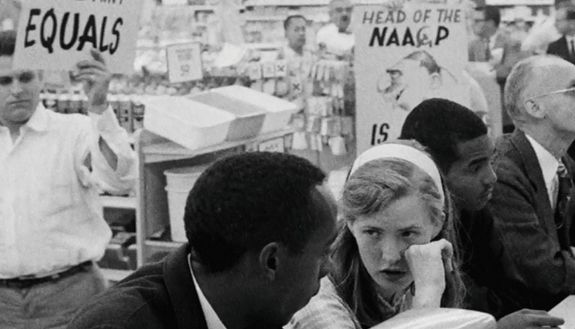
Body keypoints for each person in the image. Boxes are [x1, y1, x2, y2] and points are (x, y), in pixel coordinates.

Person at [68, 152, 338, 329]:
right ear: (271, 261)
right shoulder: (122, 324)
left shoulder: (245, 309)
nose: (330, 268)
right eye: (324, 252)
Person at [0, 29, 136, 328]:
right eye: (4, 81)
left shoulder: (73, 132)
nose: (17, 89)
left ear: (41, 77)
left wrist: (99, 107)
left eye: (26, 77)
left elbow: (119, 180)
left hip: (73, 297)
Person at [400, 98, 565, 329]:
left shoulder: (474, 212)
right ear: (430, 170)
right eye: (475, 167)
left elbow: (515, 293)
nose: (492, 178)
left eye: (491, 161)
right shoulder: (402, 233)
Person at [286, 141, 465, 329]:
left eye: (407, 233)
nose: (391, 255)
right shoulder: (318, 308)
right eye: (372, 232)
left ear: (437, 223)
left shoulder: (407, 290)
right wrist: (427, 299)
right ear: (350, 222)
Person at [488, 55, 575, 312]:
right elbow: (546, 273)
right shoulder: (502, 173)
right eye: (573, 90)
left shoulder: (563, 162)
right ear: (535, 108)